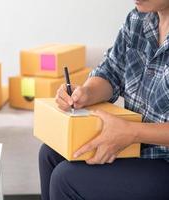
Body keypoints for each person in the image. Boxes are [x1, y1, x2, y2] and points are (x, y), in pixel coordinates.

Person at [39, 0, 169, 199]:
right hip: (135, 148)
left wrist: (132, 132)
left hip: (163, 161)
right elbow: (111, 71)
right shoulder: (137, 19)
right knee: (49, 154)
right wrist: (85, 93)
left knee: (65, 179)